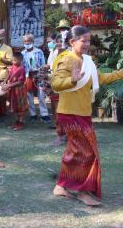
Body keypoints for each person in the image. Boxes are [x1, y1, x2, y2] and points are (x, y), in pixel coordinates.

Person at [51, 26, 123, 207]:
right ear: (72, 42)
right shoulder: (66, 59)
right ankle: (81, 190)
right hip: (69, 112)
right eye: (83, 41)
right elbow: (56, 84)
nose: (87, 44)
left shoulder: (88, 61)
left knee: (75, 150)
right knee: (86, 151)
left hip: (83, 112)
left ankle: (61, 186)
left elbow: (101, 78)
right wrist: (72, 80)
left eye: (89, 41)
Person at [45, 34, 70, 145]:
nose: (59, 43)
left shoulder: (69, 54)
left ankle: (66, 135)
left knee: (65, 112)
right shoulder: (53, 52)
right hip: (54, 85)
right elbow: (51, 68)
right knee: (56, 111)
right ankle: (60, 135)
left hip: (66, 87)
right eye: (58, 41)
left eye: (62, 41)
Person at [21, 34, 51, 123]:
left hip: (38, 75)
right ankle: (32, 114)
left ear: (32, 42)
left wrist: (42, 74)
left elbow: (43, 64)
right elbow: (22, 67)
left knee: (41, 95)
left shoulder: (39, 52)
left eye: (29, 41)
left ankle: (44, 114)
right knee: (29, 96)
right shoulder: (22, 53)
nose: (27, 43)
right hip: (28, 76)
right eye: (25, 41)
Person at [2, 53, 28, 131]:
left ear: (21, 60)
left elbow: (20, 82)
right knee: (14, 105)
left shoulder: (21, 69)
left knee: (20, 106)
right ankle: (16, 122)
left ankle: (21, 122)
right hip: (13, 90)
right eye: (13, 60)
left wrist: (9, 86)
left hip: (19, 90)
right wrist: (4, 82)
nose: (13, 62)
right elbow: (9, 75)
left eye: (15, 60)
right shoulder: (13, 67)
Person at [0, 32, 13, 120]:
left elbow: (10, 62)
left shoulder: (7, 48)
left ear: (1, 40)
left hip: (3, 73)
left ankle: (2, 113)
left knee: (1, 95)